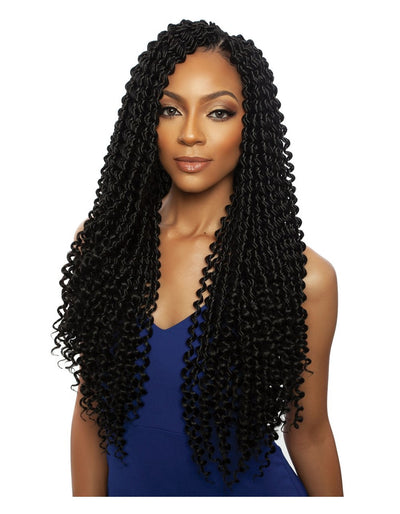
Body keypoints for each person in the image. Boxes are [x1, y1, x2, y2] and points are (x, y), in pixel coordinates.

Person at [52, 19, 343, 496]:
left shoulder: (301, 277)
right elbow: (91, 412)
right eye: (170, 110)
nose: (190, 134)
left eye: (218, 113)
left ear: (252, 126)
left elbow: (309, 434)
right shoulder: (104, 245)